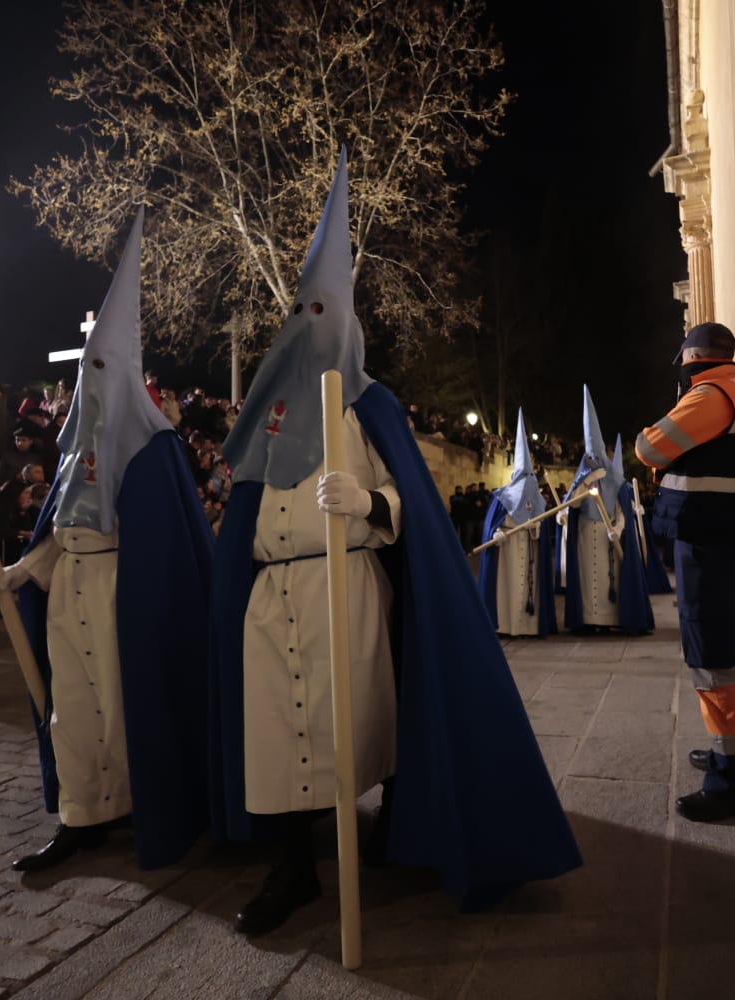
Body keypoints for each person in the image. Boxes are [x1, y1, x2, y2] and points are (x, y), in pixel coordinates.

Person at [210, 149, 579, 937]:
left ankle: (384, 834)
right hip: (273, 598)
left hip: (345, 589)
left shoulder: (369, 407)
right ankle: (291, 869)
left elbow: (413, 506)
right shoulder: (265, 419)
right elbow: (243, 507)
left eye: (321, 317)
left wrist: (369, 500)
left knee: (355, 731)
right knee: (277, 738)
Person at [0, 208, 216, 873]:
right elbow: (63, 530)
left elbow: (169, 541)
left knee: (126, 707)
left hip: (124, 591)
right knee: (73, 708)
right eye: (89, 365)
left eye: (104, 365)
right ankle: (81, 814)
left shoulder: (158, 448)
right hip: (71, 590)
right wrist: (25, 569)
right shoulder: (67, 452)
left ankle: (150, 809)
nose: (93, 379)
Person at [635, 321, 735, 822]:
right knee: (727, 647)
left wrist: (667, 423)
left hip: (709, 540)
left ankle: (732, 781)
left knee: (712, 654)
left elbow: (650, 447)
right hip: (722, 536)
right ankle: (732, 751)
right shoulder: (732, 390)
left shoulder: (710, 395)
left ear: (692, 357)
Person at [560, 389, 653, 635]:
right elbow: (572, 506)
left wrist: (618, 528)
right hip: (584, 534)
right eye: (589, 456)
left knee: (607, 577)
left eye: (597, 455)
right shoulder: (583, 478)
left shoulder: (616, 481)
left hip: (607, 533)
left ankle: (609, 618)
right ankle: (589, 620)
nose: (593, 459)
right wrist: (585, 481)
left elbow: (622, 509)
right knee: (587, 578)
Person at [477, 410, 557, 637]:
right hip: (507, 549)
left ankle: (529, 626)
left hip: (530, 548)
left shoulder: (538, 500)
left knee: (529, 586)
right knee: (506, 588)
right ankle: (506, 625)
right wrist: (495, 535)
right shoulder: (502, 498)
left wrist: (537, 530)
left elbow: (544, 525)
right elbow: (491, 526)